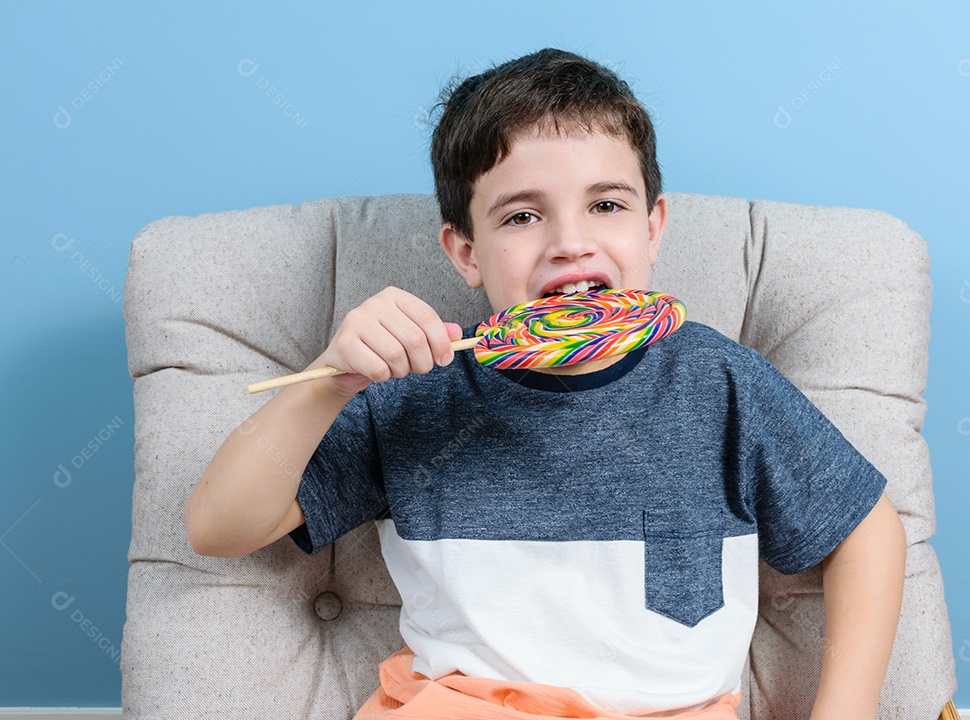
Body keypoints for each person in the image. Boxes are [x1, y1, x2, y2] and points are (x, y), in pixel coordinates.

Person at [185, 48, 906, 720]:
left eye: (607, 205)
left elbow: (867, 529)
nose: (570, 241)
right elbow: (218, 528)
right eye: (524, 215)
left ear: (653, 229)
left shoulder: (720, 383)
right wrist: (331, 383)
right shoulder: (413, 393)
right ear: (466, 252)